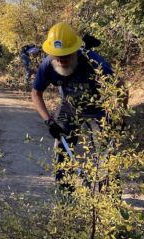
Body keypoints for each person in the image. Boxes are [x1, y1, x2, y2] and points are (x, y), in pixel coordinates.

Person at [30, 22, 120, 186]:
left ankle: (110, 197)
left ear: (75, 51)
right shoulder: (47, 65)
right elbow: (36, 93)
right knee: (62, 151)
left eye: (66, 56)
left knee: (107, 151)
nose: (62, 61)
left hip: (99, 109)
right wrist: (49, 121)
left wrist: (117, 116)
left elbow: (119, 88)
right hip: (69, 108)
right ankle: (65, 196)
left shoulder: (94, 62)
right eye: (58, 57)